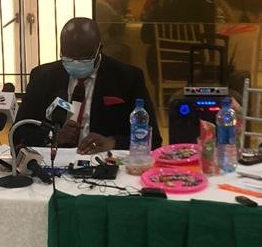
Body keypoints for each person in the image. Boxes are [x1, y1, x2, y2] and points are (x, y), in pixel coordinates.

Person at [15, 17, 162, 154]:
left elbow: (153, 139)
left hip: (104, 161)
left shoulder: (127, 78)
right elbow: (18, 132)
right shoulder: (43, 77)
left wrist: (112, 143)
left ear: (99, 48)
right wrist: (52, 136)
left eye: (84, 58)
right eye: (69, 57)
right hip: (55, 160)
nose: (76, 62)